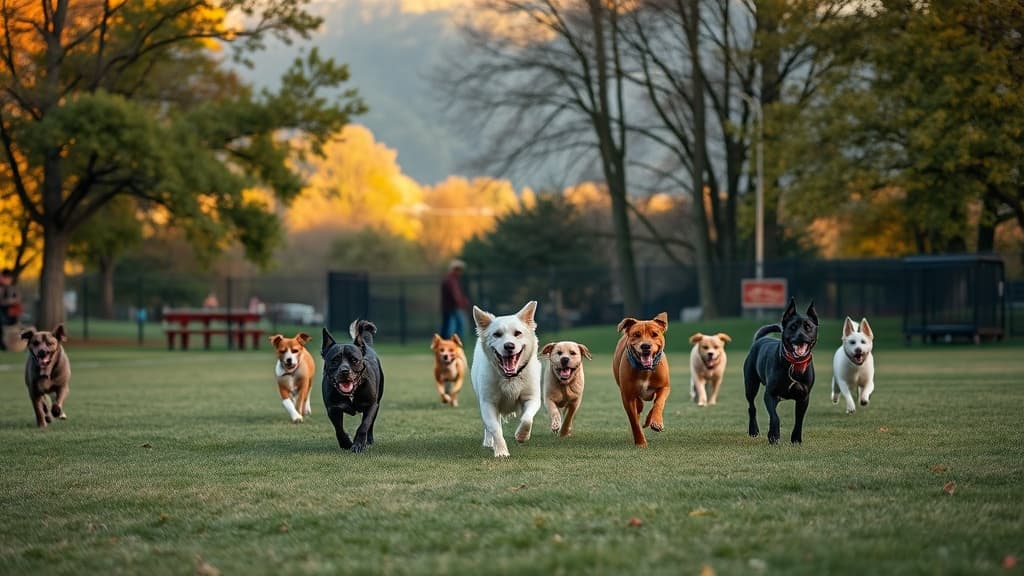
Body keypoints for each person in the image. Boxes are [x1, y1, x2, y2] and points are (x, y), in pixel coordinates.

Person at [439, 259, 470, 340]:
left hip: (451, 307)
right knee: (454, 327)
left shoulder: (452, 280)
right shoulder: (450, 280)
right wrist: (462, 303)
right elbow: (455, 294)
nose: (460, 272)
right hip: (453, 308)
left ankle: (451, 342)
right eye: (459, 270)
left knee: (450, 327)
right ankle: (454, 342)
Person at [1, 268, 22, 351]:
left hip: (10, 316)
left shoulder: (12, 289)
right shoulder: (2, 288)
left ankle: (6, 345)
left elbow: (18, 299)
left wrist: (9, 301)